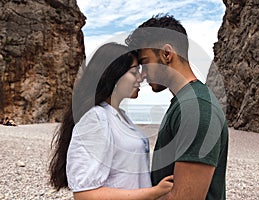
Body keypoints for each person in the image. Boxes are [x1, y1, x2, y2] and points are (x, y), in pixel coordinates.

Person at [49, 42, 173, 200]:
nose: (141, 77)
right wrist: (155, 192)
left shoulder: (120, 116)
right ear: (114, 74)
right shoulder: (95, 119)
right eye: (134, 71)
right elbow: (85, 194)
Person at [126, 14, 229, 200]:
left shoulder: (197, 107)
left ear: (166, 54)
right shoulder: (184, 103)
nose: (142, 74)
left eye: (144, 62)